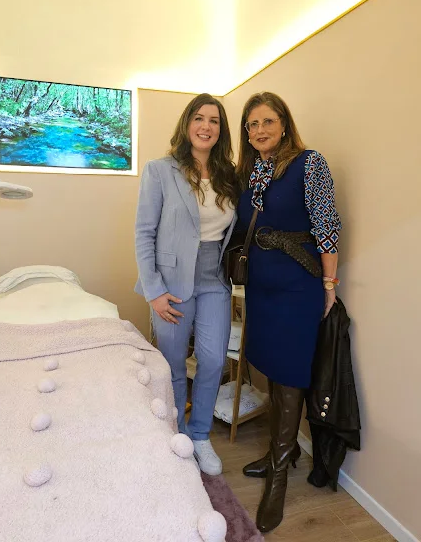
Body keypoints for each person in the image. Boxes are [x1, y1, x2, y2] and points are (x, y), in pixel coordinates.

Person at [235, 92, 342, 532]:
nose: (260, 130)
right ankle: (286, 449)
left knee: (293, 373)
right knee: (274, 371)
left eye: (268, 121)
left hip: (298, 286)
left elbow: (327, 225)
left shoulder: (309, 163)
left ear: (284, 124)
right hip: (261, 288)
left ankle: (279, 475)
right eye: (252, 124)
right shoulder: (251, 172)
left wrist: (329, 284)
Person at [135, 93, 239, 475]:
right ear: (187, 124)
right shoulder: (159, 170)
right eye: (199, 118)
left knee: (213, 360)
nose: (206, 126)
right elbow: (144, 233)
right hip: (171, 282)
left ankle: (200, 435)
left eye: (214, 120)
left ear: (221, 130)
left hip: (214, 278)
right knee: (173, 363)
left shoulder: (230, 175)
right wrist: (154, 291)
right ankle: (176, 433)